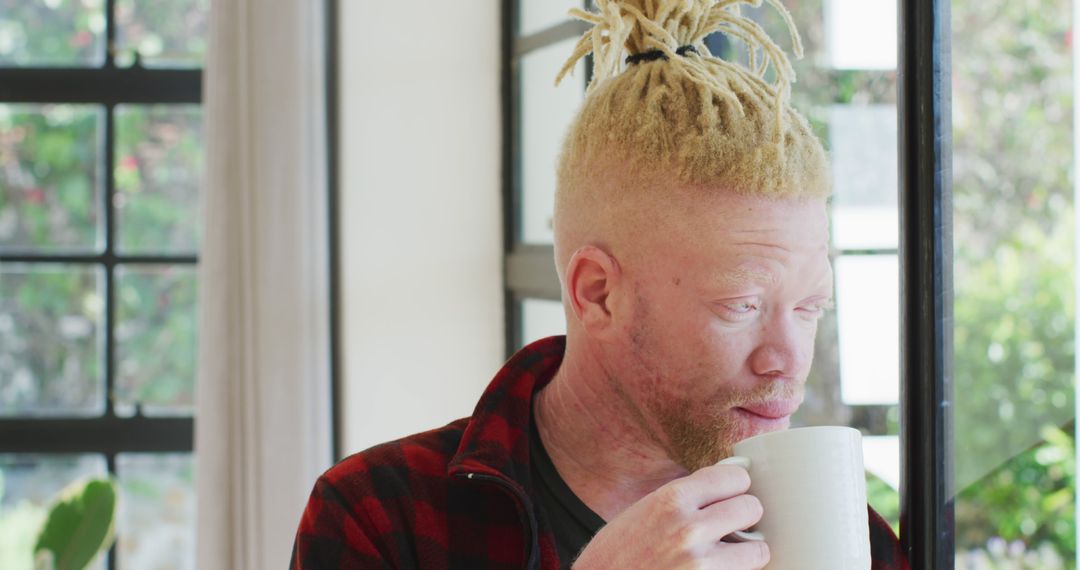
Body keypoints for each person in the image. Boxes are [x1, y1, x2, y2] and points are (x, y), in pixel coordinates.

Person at [291, 0, 908, 568]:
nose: (788, 363)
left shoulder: (845, 535)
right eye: (741, 305)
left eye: (810, 307)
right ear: (597, 294)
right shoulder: (380, 517)